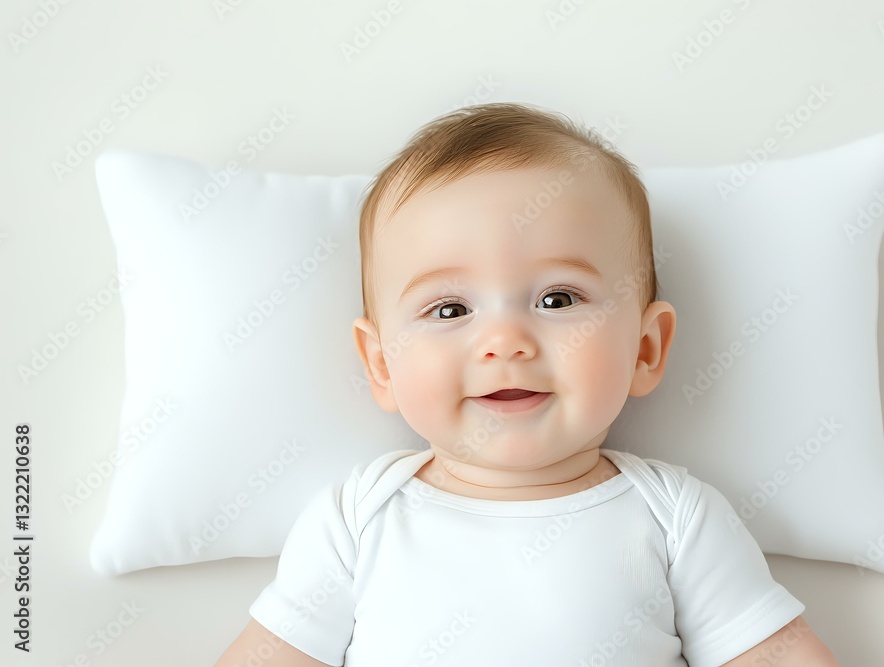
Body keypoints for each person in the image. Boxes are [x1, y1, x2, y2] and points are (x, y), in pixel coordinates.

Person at [216, 102, 839, 666]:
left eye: (557, 297)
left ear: (646, 348)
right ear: (381, 364)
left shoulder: (673, 517)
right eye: (451, 310)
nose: (506, 340)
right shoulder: (357, 519)